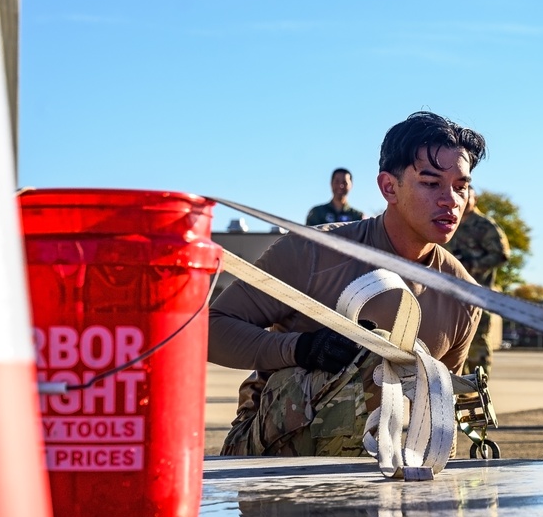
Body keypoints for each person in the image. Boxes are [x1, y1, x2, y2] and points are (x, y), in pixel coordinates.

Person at [210, 111, 486, 457]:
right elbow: (210, 328)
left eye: (461, 187)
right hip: (267, 458)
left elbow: (438, 412)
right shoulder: (313, 252)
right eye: (431, 183)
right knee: (371, 361)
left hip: (376, 460)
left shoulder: (463, 296)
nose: (451, 200)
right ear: (389, 187)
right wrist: (301, 349)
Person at [447, 186, 510, 375]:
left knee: (477, 342)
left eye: (466, 194)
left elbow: (501, 254)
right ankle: (458, 388)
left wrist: (471, 265)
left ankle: (478, 385)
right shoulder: (450, 222)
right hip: (451, 293)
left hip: (478, 293)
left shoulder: (484, 226)